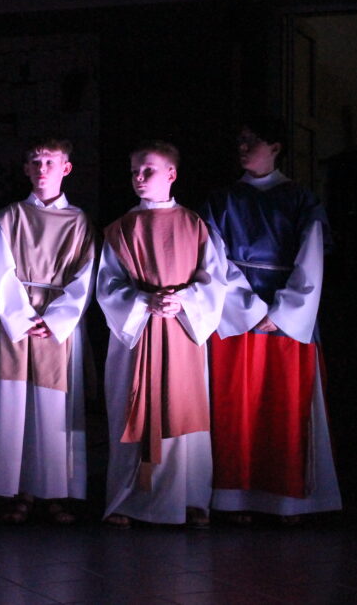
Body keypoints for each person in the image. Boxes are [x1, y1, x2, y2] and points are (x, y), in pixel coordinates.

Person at [202, 119, 341, 523]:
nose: (243, 147)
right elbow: (213, 258)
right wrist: (249, 309)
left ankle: (288, 502)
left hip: (287, 319)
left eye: (253, 140)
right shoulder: (222, 200)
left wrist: (281, 312)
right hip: (236, 317)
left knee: (284, 407)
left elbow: (311, 259)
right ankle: (235, 500)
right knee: (236, 406)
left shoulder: (300, 200)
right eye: (240, 140)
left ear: (276, 147)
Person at [96, 141, 225, 527]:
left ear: (172, 174)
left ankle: (190, 499)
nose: (138, 177)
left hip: (181, 331)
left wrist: (183, 300)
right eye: (134, 171)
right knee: (132, 410)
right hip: (137, 334)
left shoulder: (195, 225)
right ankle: (129, 501)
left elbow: (214, 280)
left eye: (148, 170)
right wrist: (143, 301)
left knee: (182, 411)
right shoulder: (121, 229)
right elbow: (108, 285)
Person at [0, 139, 96, 524]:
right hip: (18, 319)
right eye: (35, 162)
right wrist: (21, 315)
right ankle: (20, 491)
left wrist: (56, 319)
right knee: (17, 406)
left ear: (66, 168)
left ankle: (55, 492)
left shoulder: (79, 222)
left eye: (50, 161)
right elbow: (2, 270)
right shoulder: (11, 217)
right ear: (26, 169)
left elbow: (84, 277)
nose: (42, 168)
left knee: (55, 408)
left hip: (57, 322)